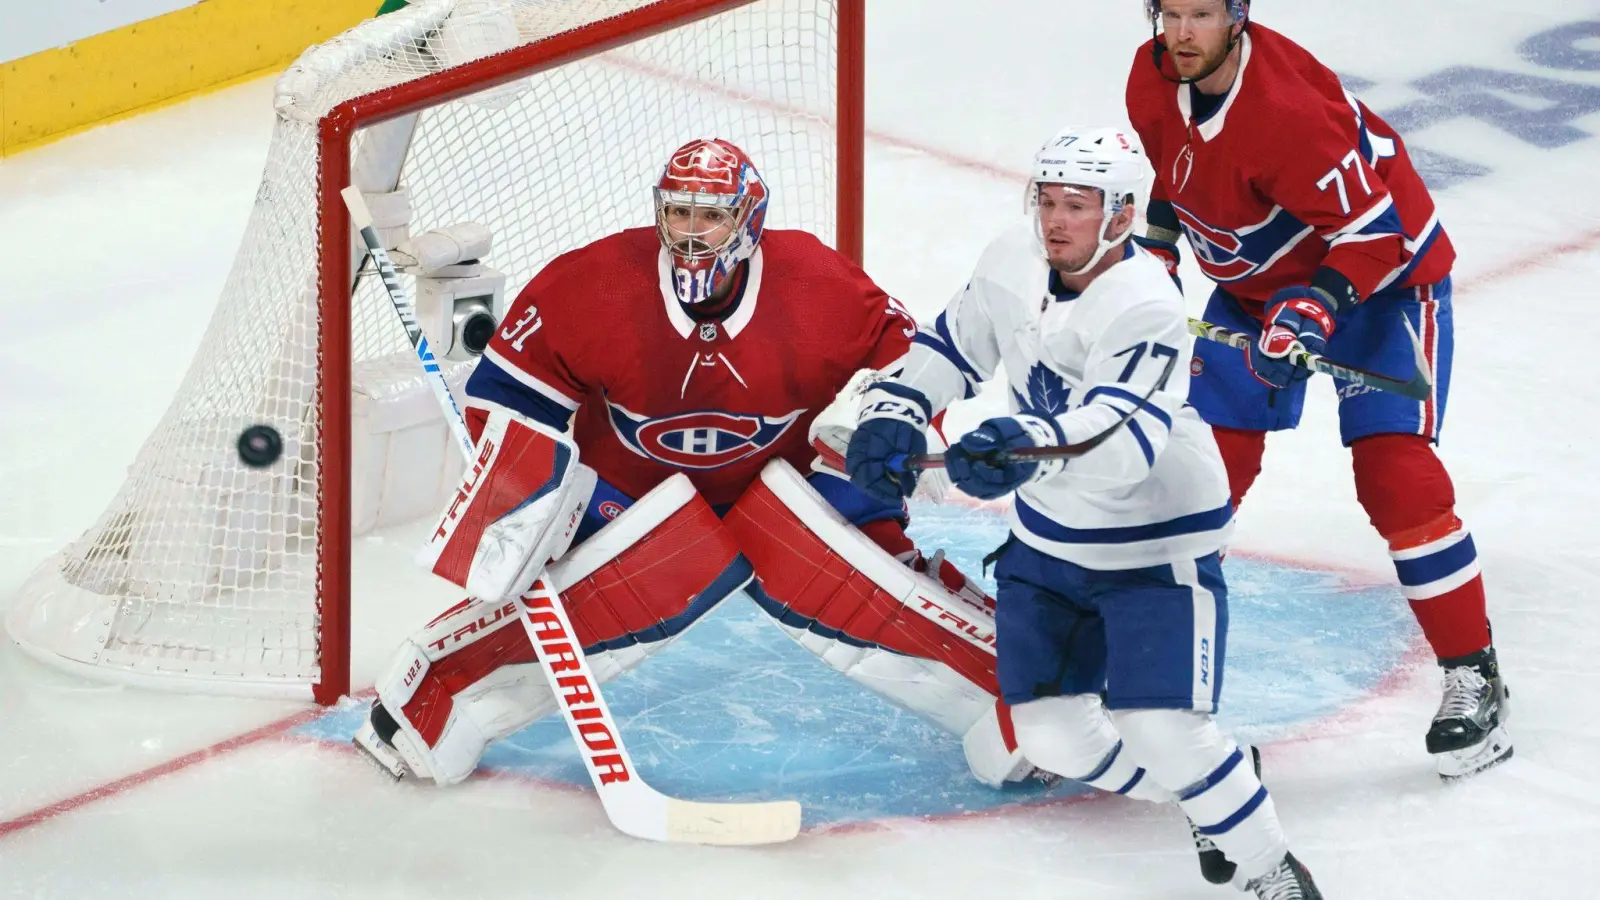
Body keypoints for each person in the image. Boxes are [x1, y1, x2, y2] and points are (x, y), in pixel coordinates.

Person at [351, 137, 1034, 793]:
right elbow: (504, 399)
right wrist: (531, 495)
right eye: (678, 211)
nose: (691, 230)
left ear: (749, 216)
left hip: (797, 489)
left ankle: (1031, 706)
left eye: (712, 214)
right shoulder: (592, 283)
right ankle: (426, 704)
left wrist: (862, 463)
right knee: (615, 581)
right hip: (630, 497)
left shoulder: (817, 283)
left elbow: (911, 367)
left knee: (849, 568)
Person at [846, 126, 1321, 898]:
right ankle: (1211, 792)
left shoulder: (1145, 302)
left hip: (1153, 544)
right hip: (1049, 541)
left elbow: (1121, 437)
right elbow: (953, 343)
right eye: (1048, 200)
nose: (1055, 220)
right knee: (1052, 735)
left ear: (1123, 214)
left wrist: (1019, 442)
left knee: (1166, 728)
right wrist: (898, 410)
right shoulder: (1012, 257)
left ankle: (1271, 871)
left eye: (1078, 204)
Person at [1126, 0, 1510, 781]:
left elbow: (1374, 235)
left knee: (1396, 478)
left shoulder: (1287, 113)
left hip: (1380, 286)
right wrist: (1157, 258)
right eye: (1170, 12)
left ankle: (1476, 675)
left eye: (1201, 13)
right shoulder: (1150, 74)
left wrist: (1311, 311)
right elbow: (1175, 172)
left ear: (1237, 16)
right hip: (1252, 294)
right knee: (1198, 484)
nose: (1182, 32)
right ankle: (1145, 689)